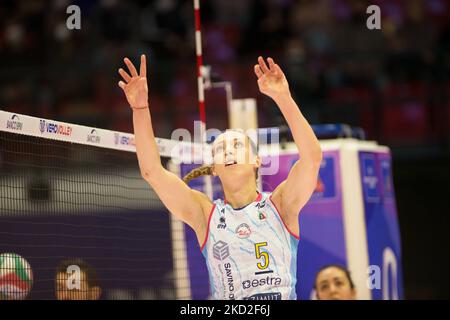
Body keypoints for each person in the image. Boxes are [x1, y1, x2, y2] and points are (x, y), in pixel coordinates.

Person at [118, 54, 322, 300]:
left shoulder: (280, 204)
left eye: (237, 145)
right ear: (214, 167)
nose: (227, 151)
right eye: (220, 149)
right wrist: (140, 108)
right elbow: (152, 172)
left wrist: (283, 97)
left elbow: (311, 158)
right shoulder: (205, 214)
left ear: (256, 161)